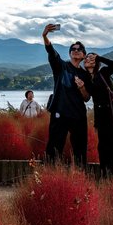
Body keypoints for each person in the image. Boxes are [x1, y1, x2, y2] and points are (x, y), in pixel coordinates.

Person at [42, 24, 92, 167]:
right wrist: (45, 36)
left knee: (80, 150)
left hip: (78, 116)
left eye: (79, 49)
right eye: (73, 49)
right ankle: (49, 176)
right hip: (60, 113)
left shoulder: (85, 75)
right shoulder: (61, 67)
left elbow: (87, 98)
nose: (76, 51)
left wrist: (82, 87)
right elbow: (52, 52)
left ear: (83, 55)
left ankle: (79, 178)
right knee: (54, 147)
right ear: (70, 53)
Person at [84, 53, 113, 176]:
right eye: (86, 57)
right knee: (103, 146)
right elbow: (92, 100)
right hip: (101, 116)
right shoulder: (86, 78)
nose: (88, 59)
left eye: (92, 57)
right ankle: (105, 175)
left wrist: (100, 58)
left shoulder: (103, 72)